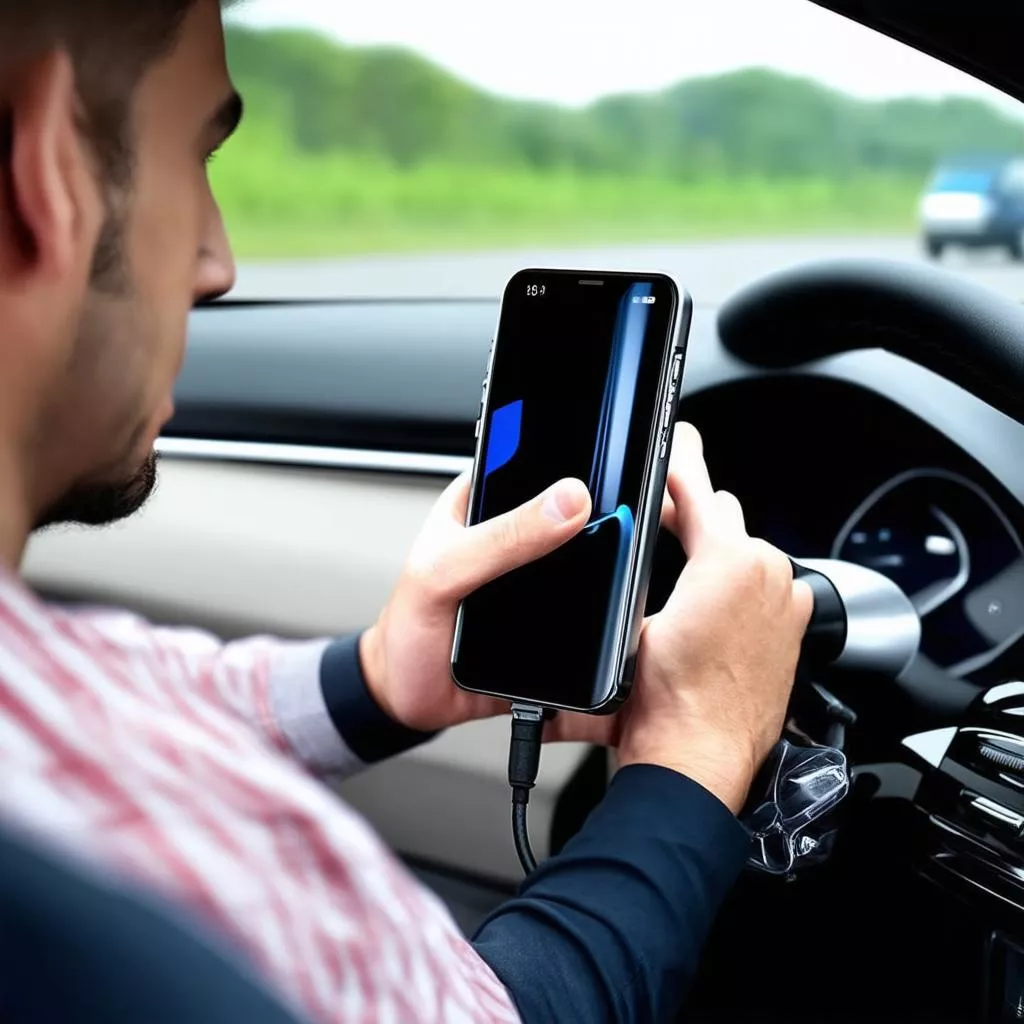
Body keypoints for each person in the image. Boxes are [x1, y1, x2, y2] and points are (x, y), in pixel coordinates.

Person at [0, 2, 813, 1022]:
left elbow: (97, 694)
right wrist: (691, 757)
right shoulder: (208, 887)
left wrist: (379, 680)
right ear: (48, 171)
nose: (218, 262)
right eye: (196, 154)